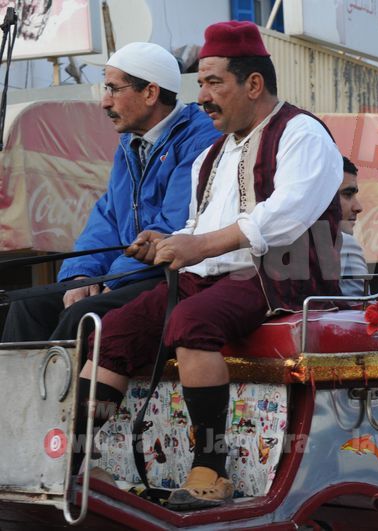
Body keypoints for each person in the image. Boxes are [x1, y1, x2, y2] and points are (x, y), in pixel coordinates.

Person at [73, 21, 343, 510]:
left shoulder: (301, 132)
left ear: (253, 84)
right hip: (211, 276)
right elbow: (198, 226)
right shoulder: (212, 154)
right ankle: (76, 458)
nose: (201, 97)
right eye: (200, 83)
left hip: (277, 275)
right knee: (112, 331)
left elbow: (285, 215)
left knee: (191, 322)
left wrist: (199, 246)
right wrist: (169, 241)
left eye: (213, 82)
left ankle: (211, 469)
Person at [1, 42, 220, 343]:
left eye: (114, 89)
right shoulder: (131, 142)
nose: (105, 102)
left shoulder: (200, 139)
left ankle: (60, 377)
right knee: (28, 305)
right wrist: (81, 275)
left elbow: (172, 227)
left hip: (171, 275)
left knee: (82, 316)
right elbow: (107, 217)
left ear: (150, 93)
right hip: (128, 273)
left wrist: (112, 279)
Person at [339, 156, 368, 297]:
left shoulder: (278, 236)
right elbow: (361, 306)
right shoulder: (344, 242)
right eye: (347, 194)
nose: (358, 207)